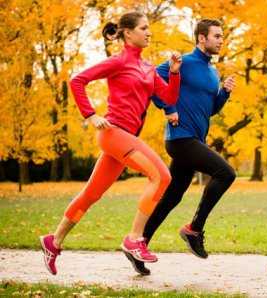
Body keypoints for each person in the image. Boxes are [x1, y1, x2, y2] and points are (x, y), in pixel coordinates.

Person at [39, 11, 182, 275]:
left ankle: (54, 241)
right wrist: (90, 115)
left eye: (149, 28)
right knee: (162, 176)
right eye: (143, 28)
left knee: (92, 193)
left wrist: (174, 73)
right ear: (128, 33)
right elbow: (77, 80)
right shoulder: (117, 62)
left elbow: (169, 97)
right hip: (113, 133)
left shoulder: (149, 68)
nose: (149, 32)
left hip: (125, 140)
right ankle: (134, 239)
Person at [124, 19, 236, 275]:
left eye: (222, 36)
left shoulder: (212, 72)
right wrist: (170, 108)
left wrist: (225, 94)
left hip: (195, 139)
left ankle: (138, 244)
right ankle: (194, 229)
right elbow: (151, 81)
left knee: (172, 197)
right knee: (226, 173)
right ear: (201, 38)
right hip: (180, 138)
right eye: (216, 36)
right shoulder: (182, 62)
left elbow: (211, 110)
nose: (221, 40)